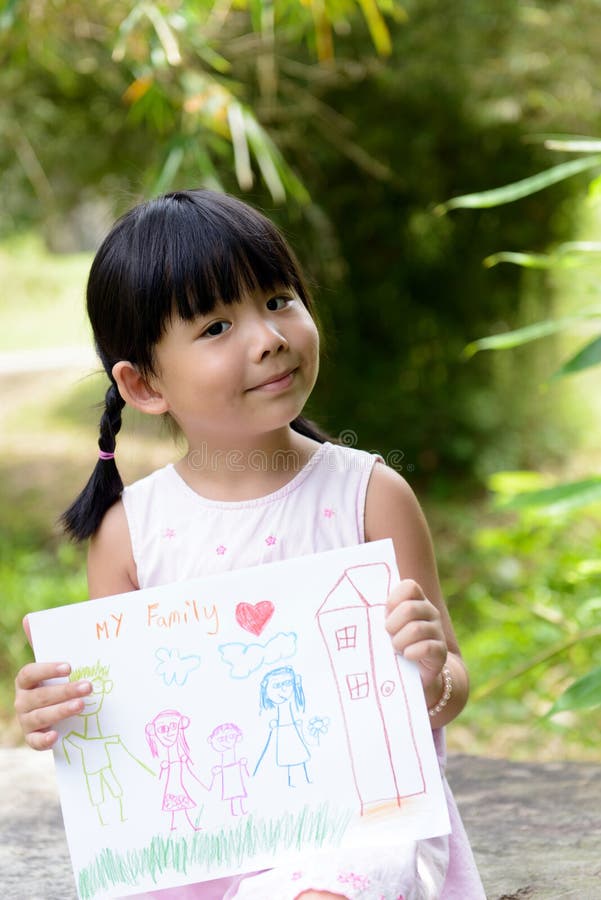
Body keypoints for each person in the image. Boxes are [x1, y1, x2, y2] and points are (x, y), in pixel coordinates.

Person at [14, 189, 485, 899]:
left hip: (356, 829)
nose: (267, 337)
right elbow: (122, 715)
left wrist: (424, 675)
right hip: (200, 840)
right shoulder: (129, 534)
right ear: (142, 384)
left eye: (277, 300)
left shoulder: (368, 496)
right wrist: (59, 711)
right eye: (215, 326)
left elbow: (448, 688)